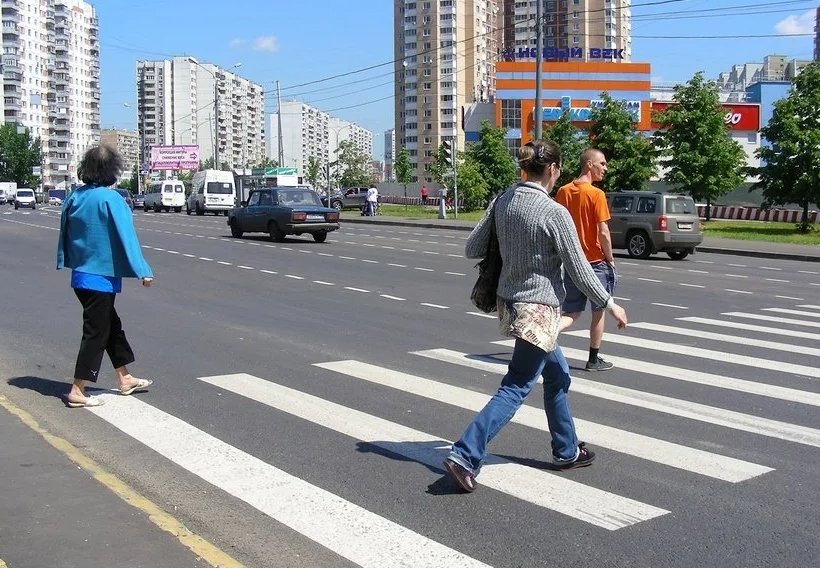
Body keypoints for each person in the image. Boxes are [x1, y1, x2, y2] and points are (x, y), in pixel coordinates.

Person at [442, 140, 627, 493]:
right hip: (539, 311)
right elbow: (579, 268)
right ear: (554, 170)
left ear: (523, 168)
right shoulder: (553, 212)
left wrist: (509, 240)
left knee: (557, 376)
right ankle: (465, 454)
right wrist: (609, 302)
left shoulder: (504, 200)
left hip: (510, 304)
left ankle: (566, 449)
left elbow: (471, 248)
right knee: (516, 386)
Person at [56, 146, 155, 408]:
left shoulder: (75, 197)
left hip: (80, 277)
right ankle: (78, 389)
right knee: (96, 332)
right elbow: (127, 238)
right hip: (101, 279)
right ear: (112, 171)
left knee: (109, 325)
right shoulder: (111, 200)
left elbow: (65, 232)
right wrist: (143, 269)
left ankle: (125, 378)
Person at [554, 148, 617, 372]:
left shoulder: (563, 191)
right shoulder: (596, 194)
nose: (605, 168)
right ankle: (593, 359)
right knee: (599, 310)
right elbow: (603, 232)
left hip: (572, 262)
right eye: (602, 163)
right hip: (595, 262)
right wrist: (610, 258)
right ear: (589, 164)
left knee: (572, 312)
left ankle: (545, 334)